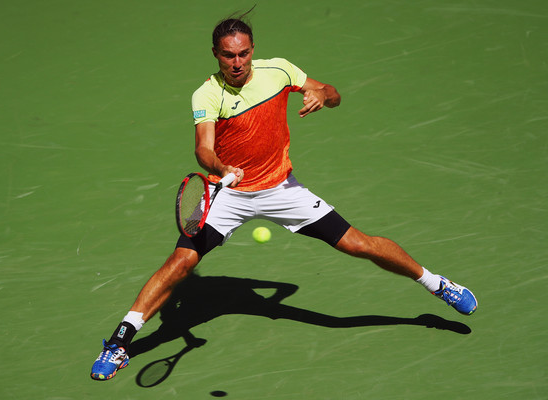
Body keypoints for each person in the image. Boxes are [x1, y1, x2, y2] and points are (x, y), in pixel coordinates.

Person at [90, 13, 477, 381]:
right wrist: (222, 168)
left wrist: (322, 96)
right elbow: (203, 150)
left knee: (358, 244)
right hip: (228, 193)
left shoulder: (279, 70)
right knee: (181, 262)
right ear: (215, 55)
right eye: (228, 55)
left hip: (280, 189)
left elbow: (333, 92)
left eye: (243, 53)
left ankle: (436, 284)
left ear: (253, 49)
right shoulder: (207, 93)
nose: (237, 62)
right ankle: (119, 343)